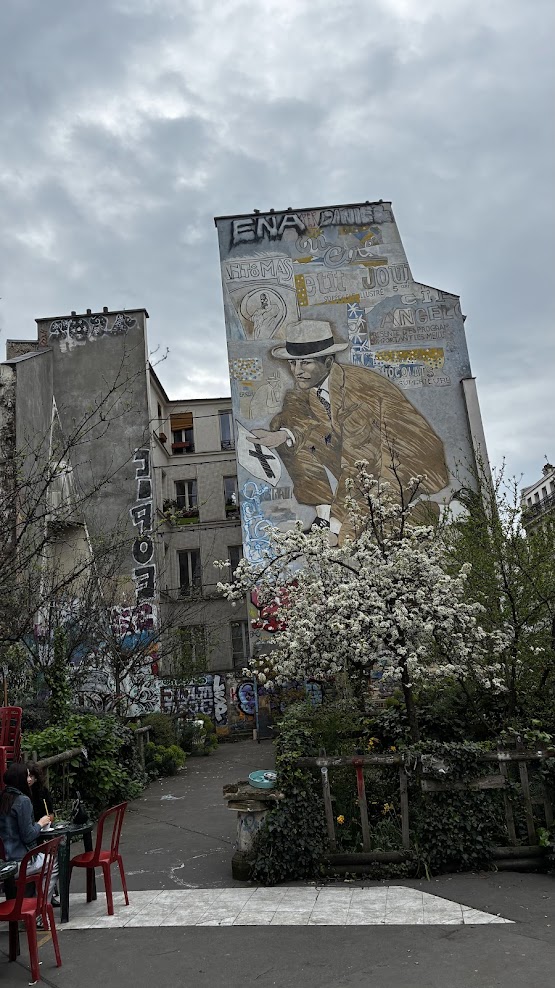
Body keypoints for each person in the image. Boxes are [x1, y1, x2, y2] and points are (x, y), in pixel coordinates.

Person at [249, 318, 449, 543]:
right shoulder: (307, 388)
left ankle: (440, 512)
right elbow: (296, 416)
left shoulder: (358, 391)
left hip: (406, 459)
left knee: (370, 535)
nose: (297, 371)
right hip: (363, 455)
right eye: (293, 364)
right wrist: (283, 434)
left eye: (306, 363)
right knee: (284, 429)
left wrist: (337, 529)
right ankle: (323, 516)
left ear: (328, 362)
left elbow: (361, 462)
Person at [0, 763, 59, 910]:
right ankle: (40, 909)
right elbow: (28, 836)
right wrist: (40, 823)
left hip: (4, 863)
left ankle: (29, 904)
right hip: (20, 862)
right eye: (26, 775)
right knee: (53, 862)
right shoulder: (23, 801)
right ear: (20, 779)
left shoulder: (2, 797)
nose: (29, 779)